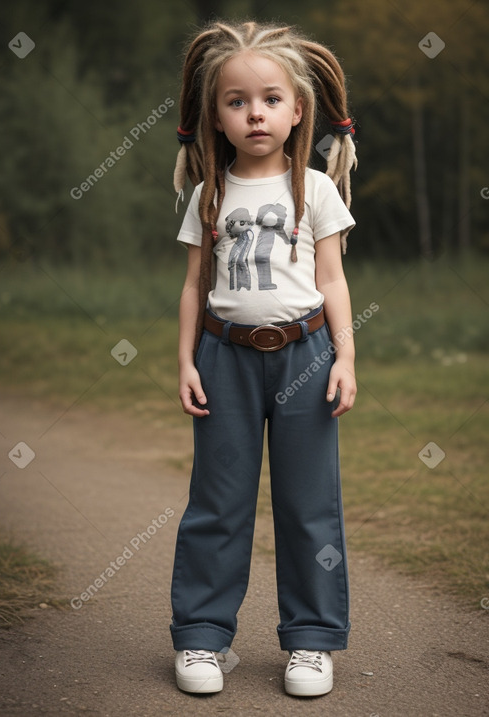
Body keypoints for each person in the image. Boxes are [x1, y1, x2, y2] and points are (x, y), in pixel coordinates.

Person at [169, 19, 358, 698]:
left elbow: (334, 281)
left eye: (271, 98)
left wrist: (345, 358)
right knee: (218, 502)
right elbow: (194, 285)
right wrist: (187, 360)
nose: (255, 112)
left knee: (310, 504)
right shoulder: (208, 194)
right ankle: (202, 634)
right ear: (214, 117)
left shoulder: (317, 190)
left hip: (306, 355)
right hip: (225, 358)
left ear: (297, 109)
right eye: (238, 100)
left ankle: (310, 640)